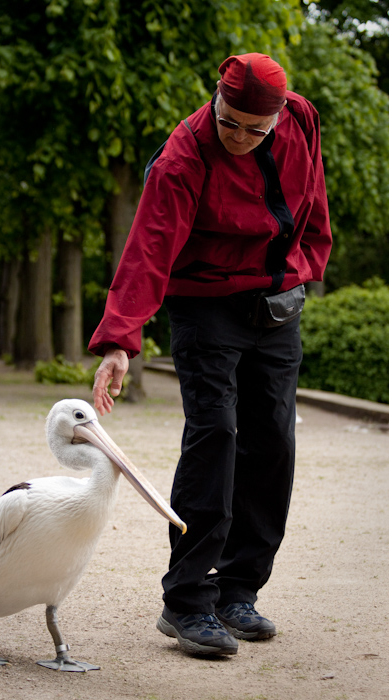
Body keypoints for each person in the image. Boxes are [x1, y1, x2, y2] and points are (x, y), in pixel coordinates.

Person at [89, 53, 332, 657]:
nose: (242, 138)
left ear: (278, 116)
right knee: (216, 434)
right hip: (206, 308)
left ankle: (239, 591)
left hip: (275, 304)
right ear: (216, 101)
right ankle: (188, 601)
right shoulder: (182, 158)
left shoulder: (299, 117)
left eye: (257, 128)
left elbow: (312, 194)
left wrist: (310, 260)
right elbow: (148, 248)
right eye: (231, 123)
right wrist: (121, 339)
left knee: (274, 440)